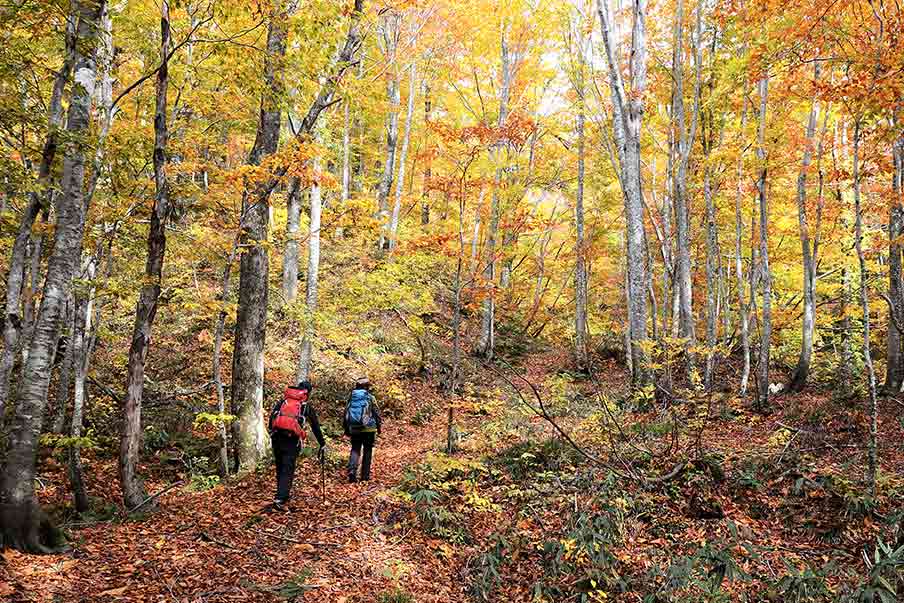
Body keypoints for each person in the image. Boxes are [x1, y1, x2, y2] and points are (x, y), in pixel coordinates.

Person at [268, 380, 326, 509]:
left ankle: (282, 492)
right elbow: (315, 426)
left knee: (280, 465)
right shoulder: (305, 407)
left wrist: (271, 432)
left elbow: (272, 418)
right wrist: (322, 443)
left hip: (276, 437)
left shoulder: (283, 402)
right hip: (292, 440)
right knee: (288, 468)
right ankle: (280, 498)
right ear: (307, 393)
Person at [343, 376, 382, 483]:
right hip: (369, 428)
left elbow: (346, 412)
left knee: (355, 449)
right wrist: (379, 427)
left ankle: (352, 471)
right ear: (366, 387)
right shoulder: (370, 398)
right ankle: (365, 476)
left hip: (354, 428)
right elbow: (377, 413)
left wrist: (346, 428)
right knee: (367, 450)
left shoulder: (351, 397)